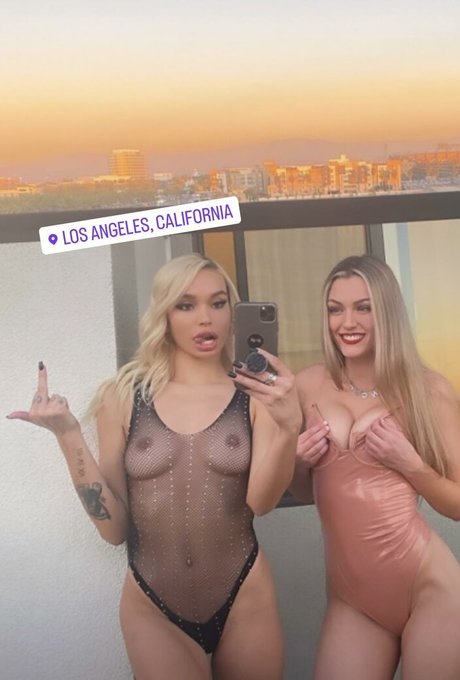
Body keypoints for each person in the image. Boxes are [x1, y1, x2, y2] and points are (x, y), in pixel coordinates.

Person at [8, 253, 302, 680]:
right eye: (186, 305)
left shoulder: (256, 395)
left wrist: (288, 428)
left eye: (218, 303)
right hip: (153, 606)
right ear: (165, 314)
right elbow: (114, 531)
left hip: (245, 597)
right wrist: (67, 434)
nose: (205, 318)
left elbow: (261, 502)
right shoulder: (125, 395)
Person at [291, 254, 460, 680]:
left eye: (363, 307)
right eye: (336, 309)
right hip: (353, 602)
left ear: (386, 311)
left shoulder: (428, 391)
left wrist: (412, 466)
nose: (347, 322)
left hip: (431, 591)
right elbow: (304, 492)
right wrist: (298, 462)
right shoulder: (307, 385)